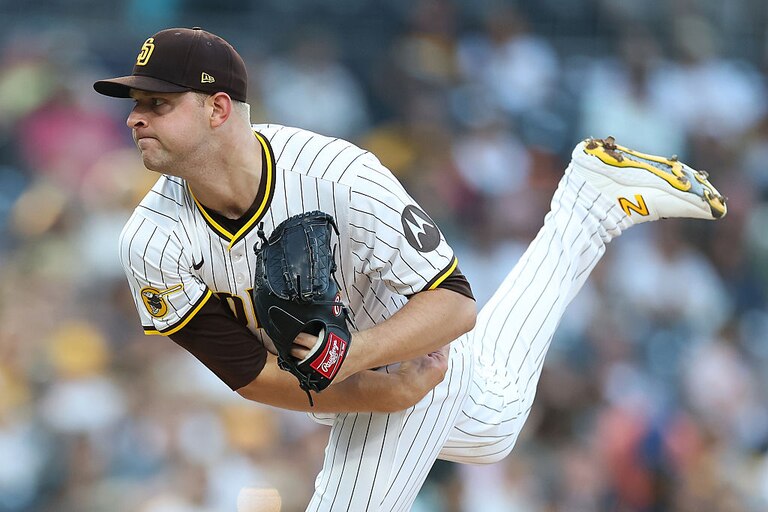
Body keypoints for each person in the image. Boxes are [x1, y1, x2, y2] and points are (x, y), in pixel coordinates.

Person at [93, 27, 727, 511]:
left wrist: (360, 358)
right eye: (135, 103)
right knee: (496, 425)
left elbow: (454, 305)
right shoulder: (150, 241)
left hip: (410, 344)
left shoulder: (337, 176)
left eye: (157, 102)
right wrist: (366, 387)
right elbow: (249, 373)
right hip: (355, 381)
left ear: (218, 108)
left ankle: (590, 206)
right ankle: (589, 206)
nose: (134, 117)